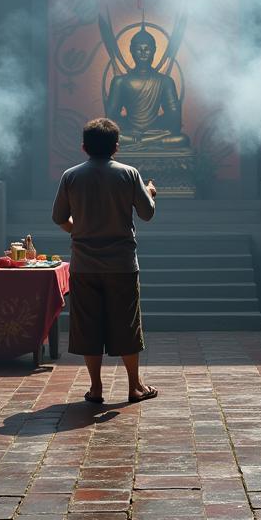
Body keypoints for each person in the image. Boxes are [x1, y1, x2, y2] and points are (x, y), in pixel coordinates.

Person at [52, 116, 159, 404]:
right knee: (127, 324)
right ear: (117, 147)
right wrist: (150, 192)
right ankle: (135, 386)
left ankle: (96, 387)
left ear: (84, 147)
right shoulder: (129, 173)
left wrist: (80, 229)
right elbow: (147, 214)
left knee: (89, 326)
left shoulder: (71, 176)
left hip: (84, 265)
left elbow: (59, 217)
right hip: (121, 265)